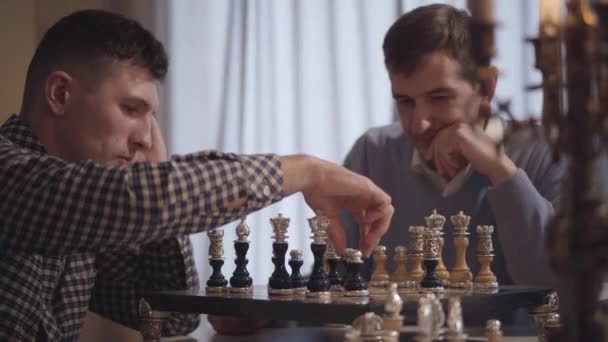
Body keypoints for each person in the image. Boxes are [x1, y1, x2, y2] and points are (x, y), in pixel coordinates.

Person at [0, 9, 394, 341]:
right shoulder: (10, 175)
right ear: (60, 95)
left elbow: (172, 314)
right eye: (130, 109)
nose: (145, 136)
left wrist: (154, 174)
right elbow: (138, 202)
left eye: (151, 115)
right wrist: (307, 172)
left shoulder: (83, 217)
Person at [340, 4, 564, 288]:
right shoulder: (372, 153)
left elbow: (555, 282)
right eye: (405, 102)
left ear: (486, 88)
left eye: (440, 97)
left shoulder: (549, 152)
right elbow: (336, 281)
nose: (419, 123)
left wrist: (501, 170)